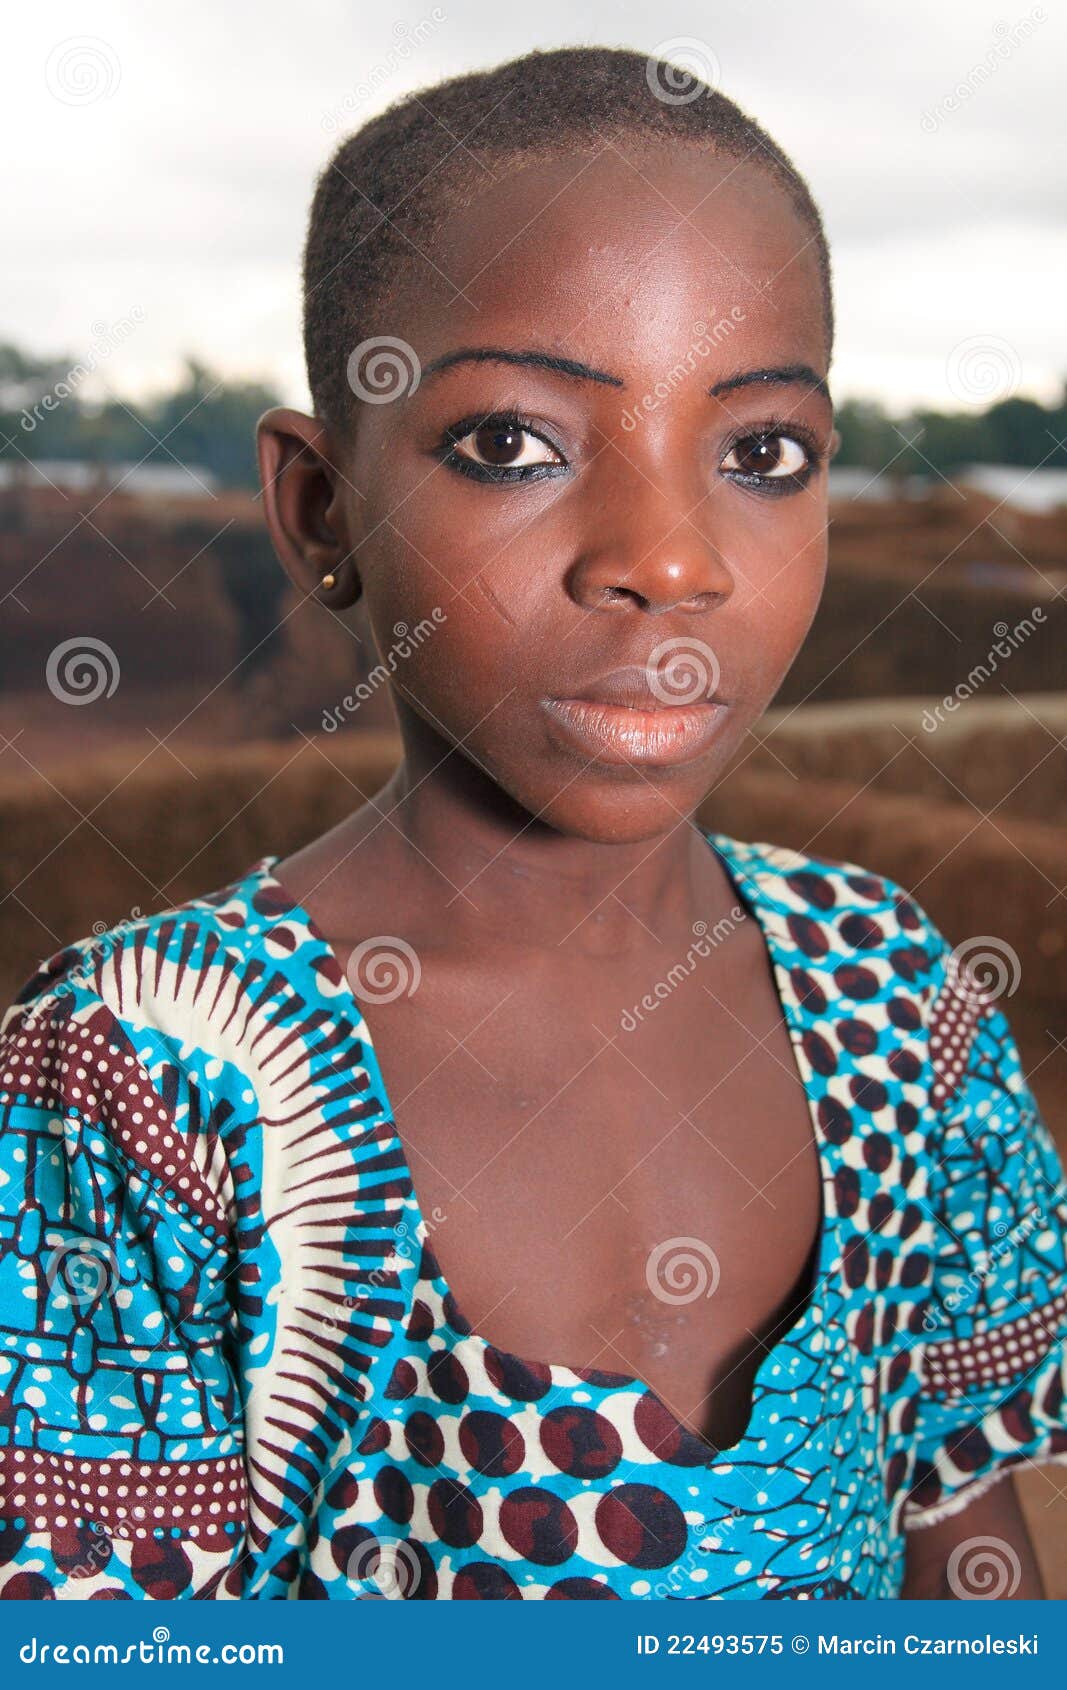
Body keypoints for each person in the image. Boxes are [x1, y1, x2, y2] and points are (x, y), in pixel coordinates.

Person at [2, 44, 1065, 1602]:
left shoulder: (897, 998)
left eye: (762, 452)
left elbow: (974, 1583)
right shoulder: (144, 1080)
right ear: (320, 510)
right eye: (512, 445)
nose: (668, 561)